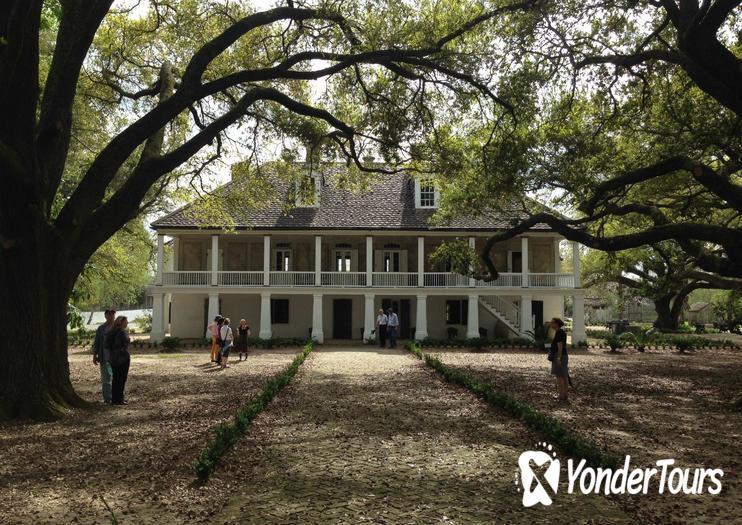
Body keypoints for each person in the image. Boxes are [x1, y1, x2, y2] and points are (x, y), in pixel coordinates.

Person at [105, 316, 131, 406]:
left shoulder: (111, 332)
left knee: (116, 379)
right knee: (122, 379)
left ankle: (115, 399)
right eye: (126, 321)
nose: (127, 323)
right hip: (122, 358)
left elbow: (107, 345)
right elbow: (124, 343)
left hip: (113, 358)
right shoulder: (122, 332)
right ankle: (119, 399)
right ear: (122, 322)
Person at [92, 309, 116, 404]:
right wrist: (94, 356)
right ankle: (107, 398)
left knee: (117, 378)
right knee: (105, 379)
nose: (111, 317)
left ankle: (117, 396)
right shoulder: (101, 329)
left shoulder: (117, 328)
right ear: (105, 316)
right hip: (104, 358)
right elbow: (97, 343)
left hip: (116, 358)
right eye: (109, 315)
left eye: (112, 315)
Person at [549, 317, 569, 402]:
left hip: (560, 355)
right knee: (563, 375)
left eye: (552, 322)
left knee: (560, 376)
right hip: (562, 355)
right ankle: (564, 394)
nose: (551, 323)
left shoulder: (559, 333)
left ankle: (562, 395)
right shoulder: (560, 332)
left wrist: (558, 358)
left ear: (556, 324)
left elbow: (560, 346)